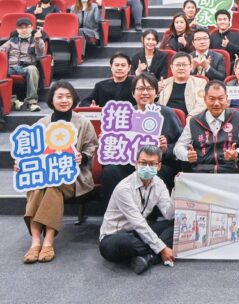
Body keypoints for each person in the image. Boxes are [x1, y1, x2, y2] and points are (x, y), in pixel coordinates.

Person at [20, 81, 98, 264]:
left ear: (74, 99)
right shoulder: (42, 123)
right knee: (40, 186)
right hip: (46, 175)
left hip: (74, 177)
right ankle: (38, 241)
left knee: (52, 184)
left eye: (68, 97)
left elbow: (92, 147)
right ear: (52, 99)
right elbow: (31, 152)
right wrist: (22, 164)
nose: (64, 100)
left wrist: (82, 157)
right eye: (60, 96)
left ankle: (45, 241)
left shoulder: (83, 122)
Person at [100, 73, 183, 201]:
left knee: (153, 173)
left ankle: (150, 212)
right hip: (129, 164)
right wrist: (107, 141)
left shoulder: (168, 114)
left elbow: (181, 147)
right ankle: (117, 211)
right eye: (140, 89)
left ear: (156, 93)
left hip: (157, 165)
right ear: (133, 93)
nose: (145, 92)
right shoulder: (124, 116)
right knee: (110, 171)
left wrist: (166, 149)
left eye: (149, 89)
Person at [99, 145, 175, 275]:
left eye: (152, 164)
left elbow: (168, 215)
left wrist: (176, 191)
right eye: (143, 163)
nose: (147, 167)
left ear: (159, 166)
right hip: (115, 236)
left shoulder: (159, 184)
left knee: (175, 225)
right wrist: (162, 248)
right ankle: (156, 253)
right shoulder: (124, 188)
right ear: (136, 164)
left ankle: (149, 258)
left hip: (138, 233)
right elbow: (138, 223)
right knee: (127, 242)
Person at [174, 80, 239, 173]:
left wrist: (237, 153)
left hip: (230, 171)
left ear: (227, 99)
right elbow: (178, 147)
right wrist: (187, 155)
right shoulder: (194, 121)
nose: (216, 103)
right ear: (204, 99)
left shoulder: (238, 117)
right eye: (212, 99)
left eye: (221, 98)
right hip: (201, 172)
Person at [0, 18, 45, 111]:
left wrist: (37, 40)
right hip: (11, 68)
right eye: (21, 28)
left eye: (26, 27)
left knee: (32, 69)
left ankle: (31, 102)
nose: (24, 30)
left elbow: (41, 54)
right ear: (17, 29)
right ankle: (13, 101)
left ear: (31, 28)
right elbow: (1, 51)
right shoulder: (12, 41)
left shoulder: (36, 40)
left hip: (26, 67)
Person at [157, 52, 207, 116]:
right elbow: (154, 106)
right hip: (166, 118)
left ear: (190, 67)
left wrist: (191, 116)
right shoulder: (162, 84)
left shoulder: (200, 83)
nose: (181, 68)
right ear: (171, 67)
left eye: (184, 65)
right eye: (178, 65)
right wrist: (157, 93)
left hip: (190, 118)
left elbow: (201, 105)